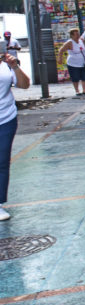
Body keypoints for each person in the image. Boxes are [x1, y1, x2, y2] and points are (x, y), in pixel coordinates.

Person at [0, 51, 31, 221]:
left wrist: (15, 67)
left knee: (2, 161)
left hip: (5, 118)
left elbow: (25, 85)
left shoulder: (6, 64)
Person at [58, 29, 85, 96]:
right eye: (76, 34)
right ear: (72, 36)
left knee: (84, 76)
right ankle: (77, 90)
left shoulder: (81, 41)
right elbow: (61, 50)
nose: (78, 36)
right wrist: (60, 58)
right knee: (75, 77)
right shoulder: (70, 42)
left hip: (83, 62)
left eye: (78, 34)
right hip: (73, 63)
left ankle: (84, 89)